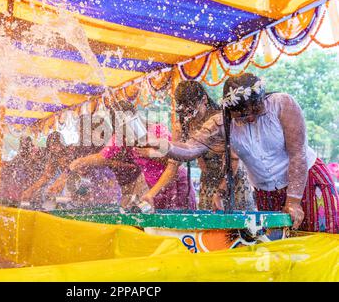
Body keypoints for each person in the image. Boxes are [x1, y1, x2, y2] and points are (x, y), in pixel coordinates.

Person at [136, 73, 338, 233]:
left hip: (307, 180)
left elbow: (297, 154)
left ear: (262, 98)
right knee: (282, 244)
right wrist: (162, 144)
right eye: (242, 114)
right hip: (267, 191)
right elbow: (190, 149)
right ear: (230, 111)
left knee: (322, 236)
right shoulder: (220, 122)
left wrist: (293, 201)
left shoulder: (282, 104)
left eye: (255, 110)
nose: (250, 117)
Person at [71, 100, 196, 210]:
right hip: (154, 190)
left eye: (128, 125)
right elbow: (102, 157)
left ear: (136, 117)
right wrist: (80, 162)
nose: (127, 133)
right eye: (122, 129)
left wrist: (152, 153)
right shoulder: (121, 137)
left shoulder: (158, 130)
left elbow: (174, 163)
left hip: (176, 185)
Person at [173, 80, 254, 210]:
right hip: (209, 179)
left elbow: (234, 158)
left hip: (233, 179)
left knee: (240, 227)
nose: (190, 114)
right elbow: (177, 160)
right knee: (208, 226)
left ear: (204, 99)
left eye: (193, 108)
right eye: (186, 110)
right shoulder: (185, 123)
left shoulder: (221, 120)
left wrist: (221, 191)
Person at [21, 132, 71, 209]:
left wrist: (58, 188)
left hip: (75, 193)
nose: (53, 147)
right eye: (50, 145)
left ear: (62, 144)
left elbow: (68, 177)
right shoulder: (53, 159)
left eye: (56, 143)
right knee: (42, 193)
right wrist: (30, 191)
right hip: (61, 196)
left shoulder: (70, 157)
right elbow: (45, 177)